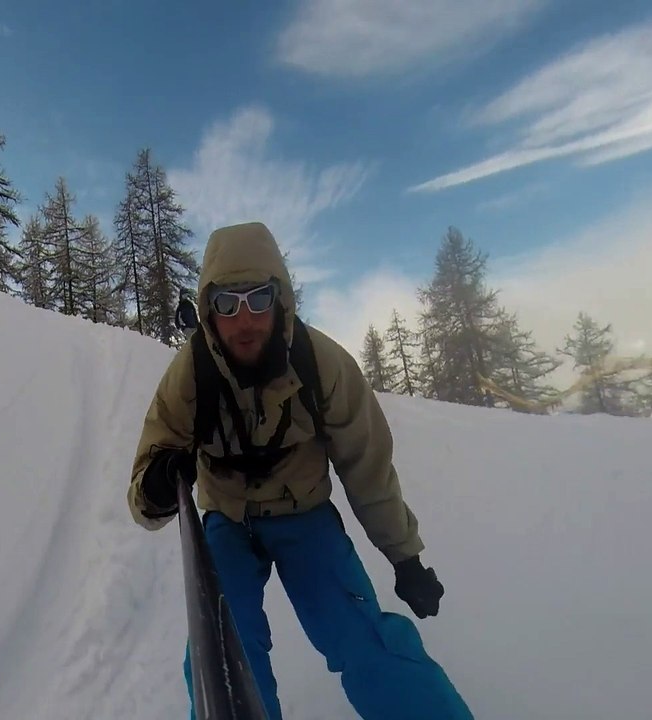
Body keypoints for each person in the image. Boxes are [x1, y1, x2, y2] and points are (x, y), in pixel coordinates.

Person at [127, 222, 473, 720]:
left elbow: (367, 469)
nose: (243, 320)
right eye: (226, 304)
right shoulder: (190, 376)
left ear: (281, 300)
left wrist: (405, 557)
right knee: (226, 656)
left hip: (304, 515)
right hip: (227, 521)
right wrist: (158, 485)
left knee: (362, 637)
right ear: (207, 310)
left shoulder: (322, 365)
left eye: (258, 299)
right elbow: (144, 491)